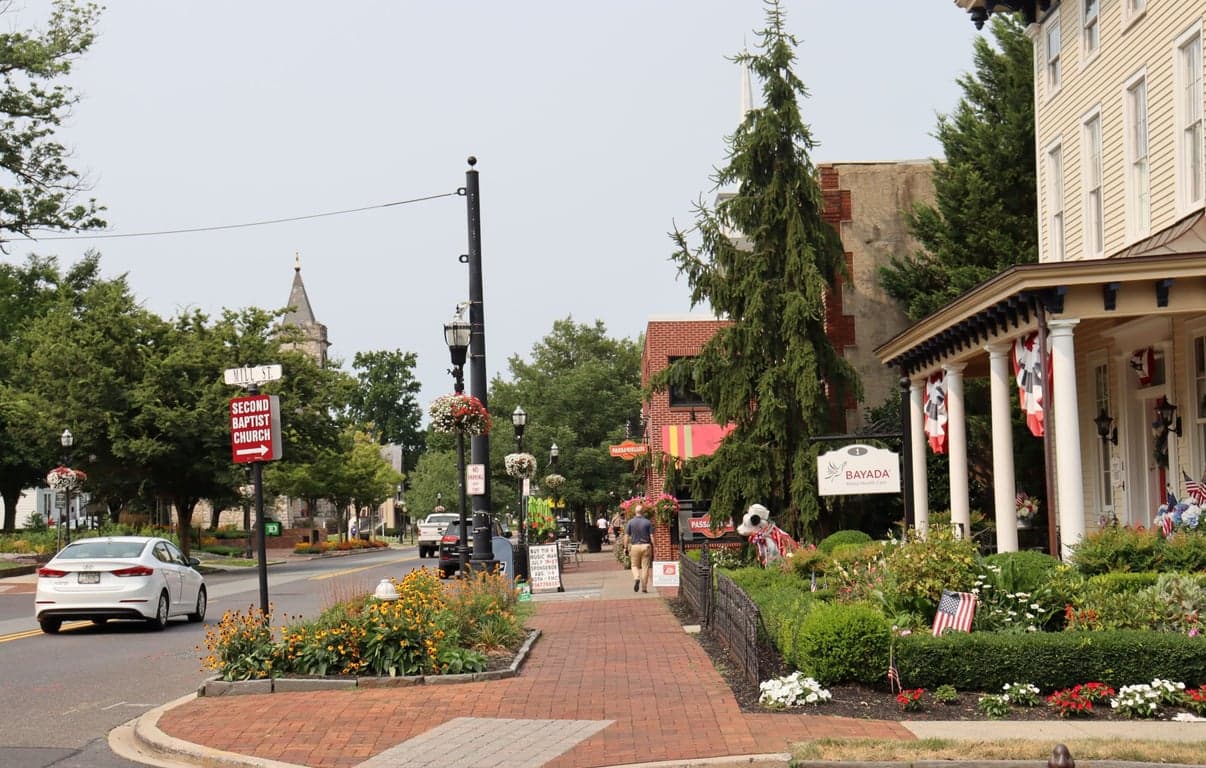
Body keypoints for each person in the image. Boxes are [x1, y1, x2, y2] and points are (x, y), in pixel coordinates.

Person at [625, 503, 654, 593]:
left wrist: (625, 547)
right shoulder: (648, 522)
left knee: (634, 565)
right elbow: (652, 536)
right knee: (645, 567)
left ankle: (636, 577)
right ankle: (644, 588)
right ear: (643, 512)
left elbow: (626, 536)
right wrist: (655, 546)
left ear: (635, 512)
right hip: (646, 546)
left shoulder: (630, 522)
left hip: (635, 546)